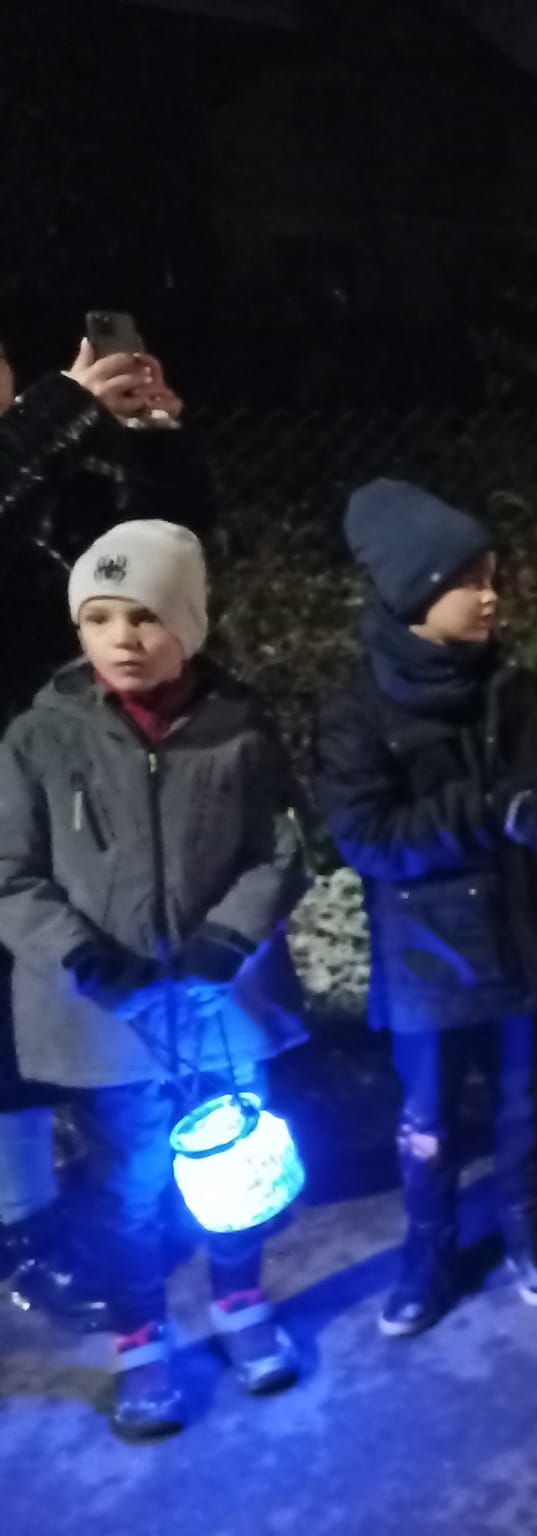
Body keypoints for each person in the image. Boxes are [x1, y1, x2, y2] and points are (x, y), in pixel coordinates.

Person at [0, 520, 310, 1441]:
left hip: (222, 1004)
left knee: (237, 1163)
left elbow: (280, 849)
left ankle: (240, 1298)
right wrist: (81, 953)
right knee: (127, 1183)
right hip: (109, 1017)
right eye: (99, 619)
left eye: (145, 617)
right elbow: (10, 873)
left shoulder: (239, 729)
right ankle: (140, 1335)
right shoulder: (38, 738)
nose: (123, 639)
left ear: (189, 624)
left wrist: (229, 939)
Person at [316, 478, 537, 1339]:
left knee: (522, 1105)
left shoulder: (514, 685)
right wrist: (483, 810)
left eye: (492, 576)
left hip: (520, 934)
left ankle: (530, 1229)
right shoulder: (359, 710)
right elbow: (367, 835)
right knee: (428, 1117)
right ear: (415, 592)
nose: (490, 595)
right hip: (427, 958)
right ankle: (428, 1252)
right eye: (469, 580)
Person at [0, 334, 183, 1331]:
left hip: (67, 776)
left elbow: (153, 566)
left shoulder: (38, 468)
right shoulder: (32, 448)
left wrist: (153, 448)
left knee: (78, 986)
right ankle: (22, 1231)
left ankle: (118, 1190)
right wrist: (58, 415)